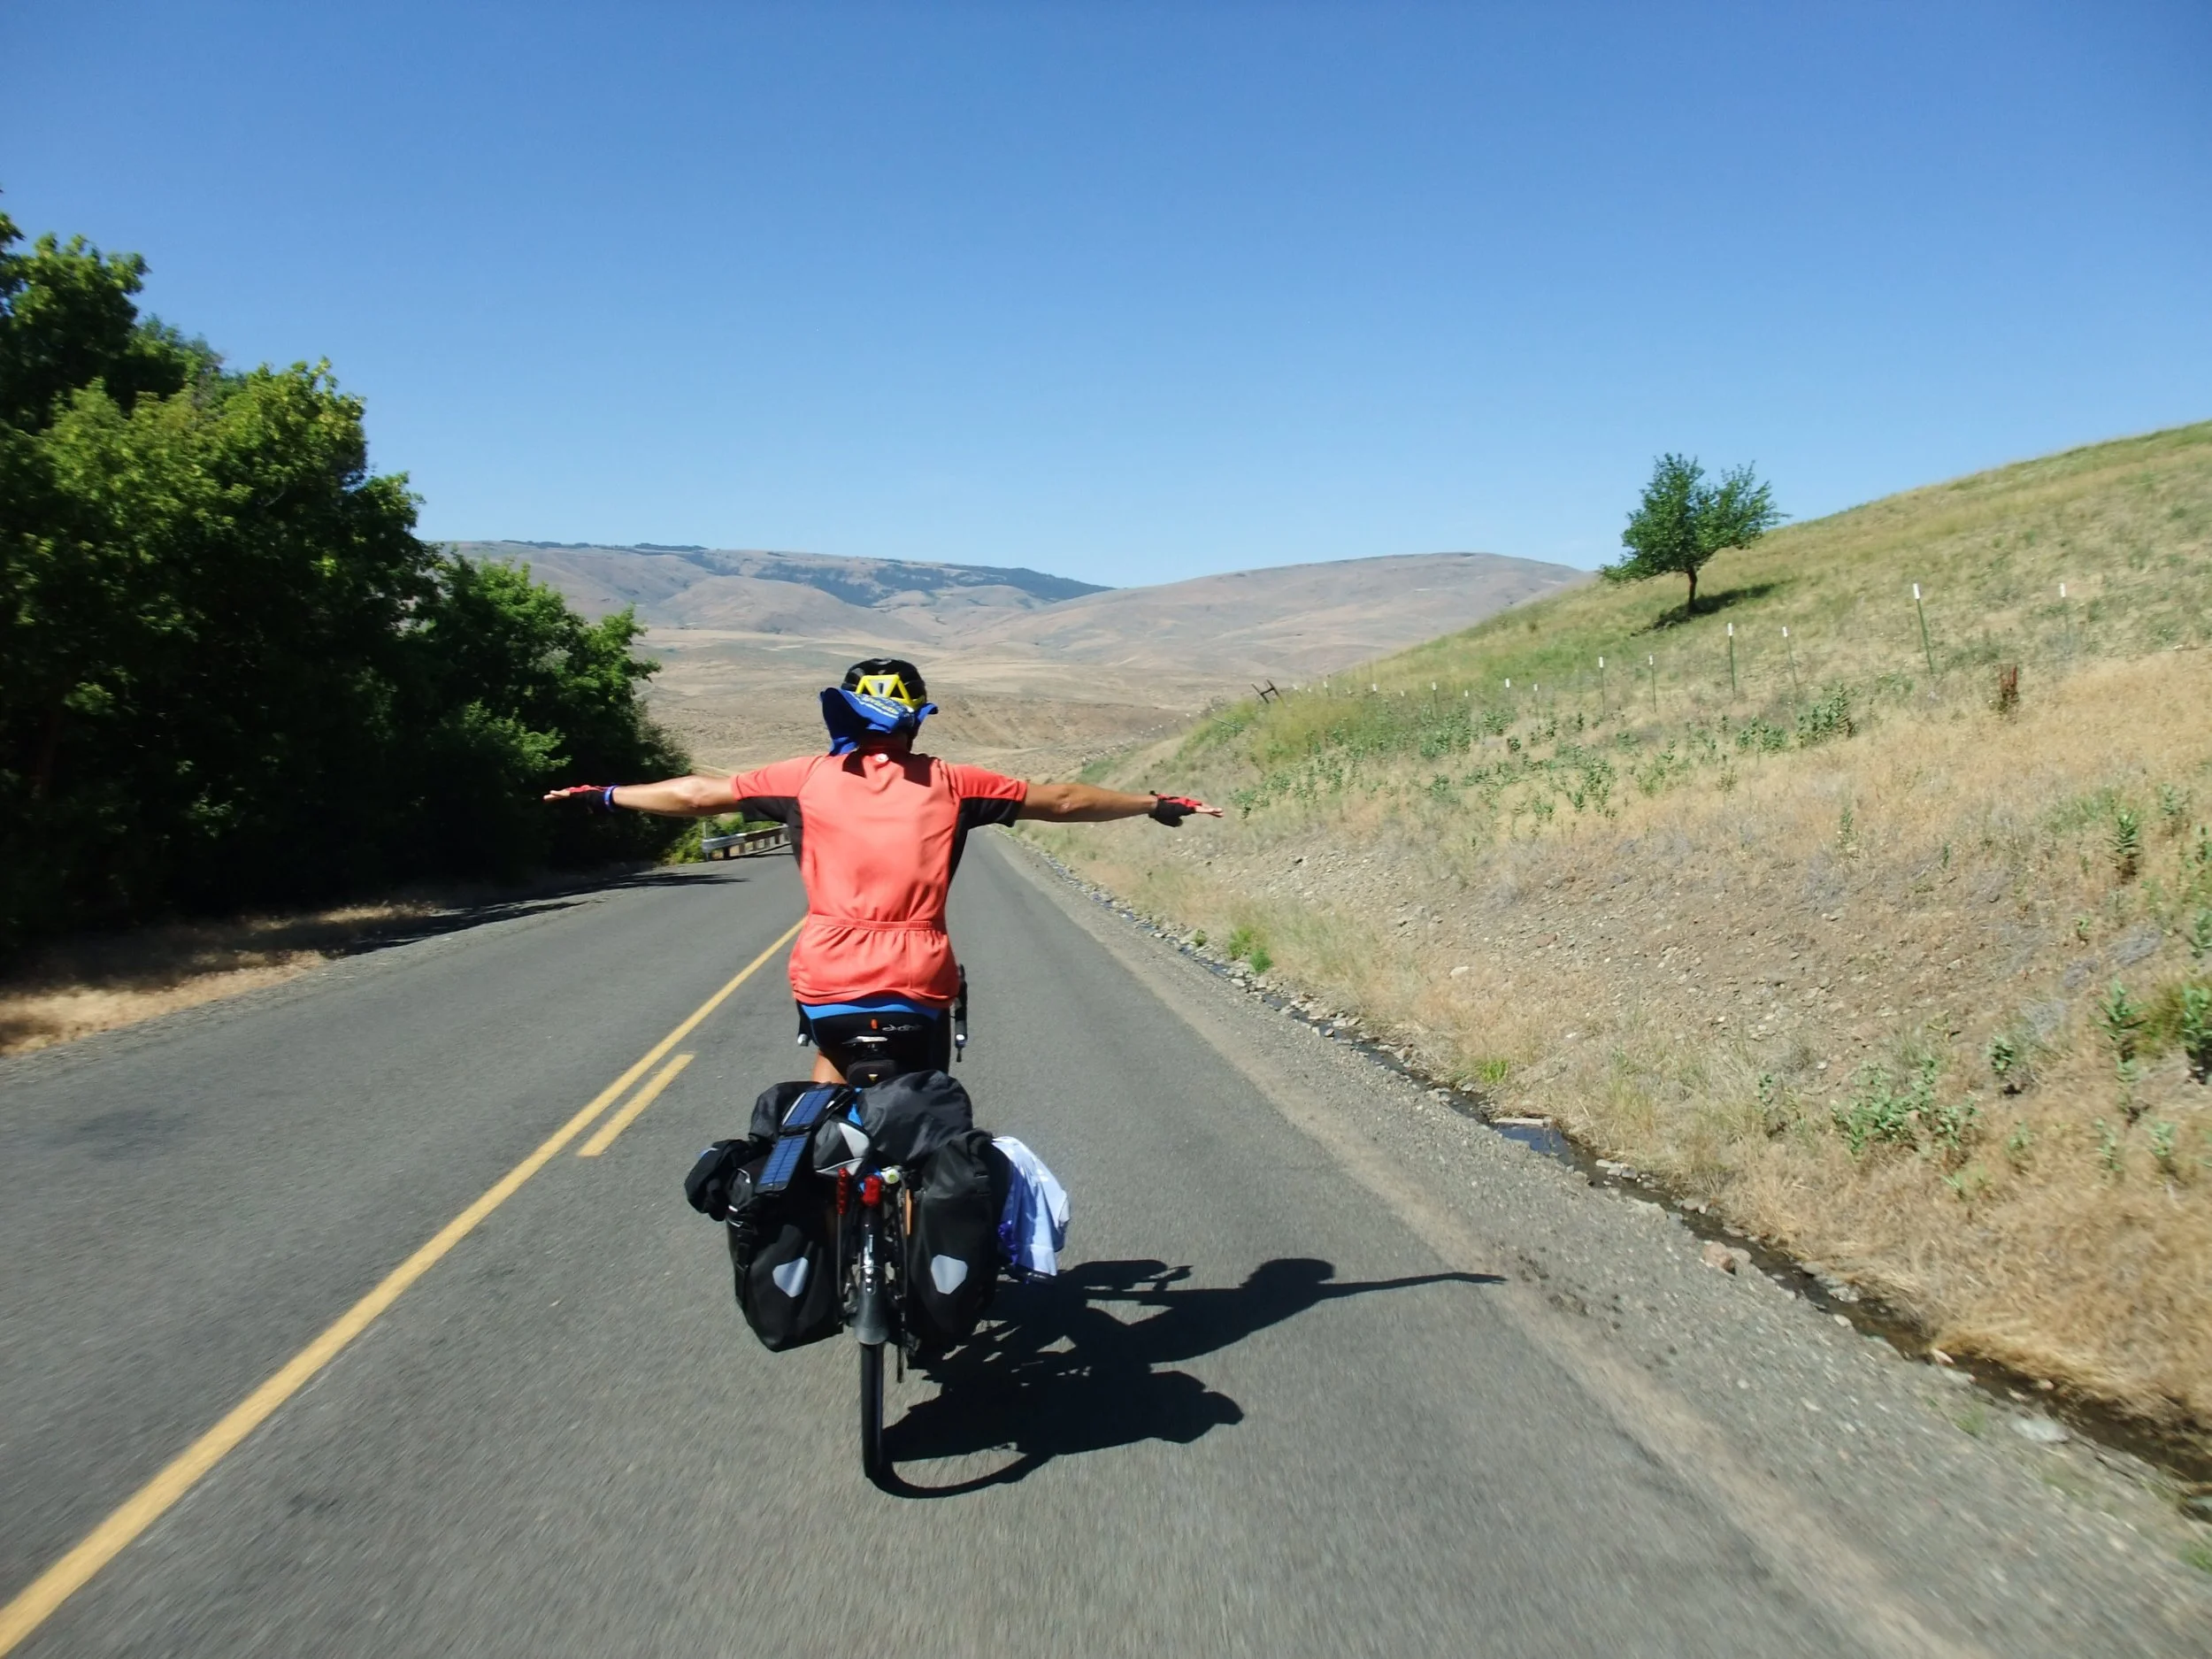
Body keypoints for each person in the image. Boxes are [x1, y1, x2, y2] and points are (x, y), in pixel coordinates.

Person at [545, 658, 1219, 1083]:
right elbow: (1065, 799)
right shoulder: (955, 782)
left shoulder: (804, 777)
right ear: (916, 720)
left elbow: (695, 795)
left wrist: (605, 795)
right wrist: (1154, 802)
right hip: (919, 970)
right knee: (922, 1112)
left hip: (826, 967)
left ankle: (820, 1208)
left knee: (831, 1073)